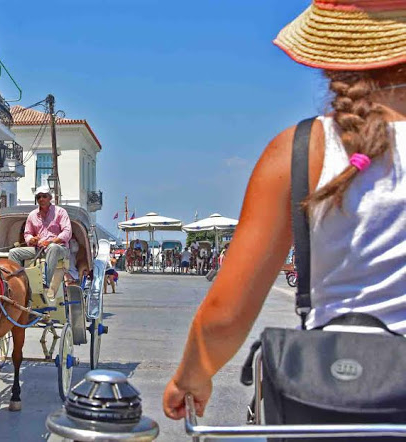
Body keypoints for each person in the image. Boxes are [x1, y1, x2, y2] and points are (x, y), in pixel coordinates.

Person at [164, 1, 406, 421]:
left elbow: (226, 315)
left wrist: (191, 377)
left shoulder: (301, 152)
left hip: (331, 398)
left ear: (336, 54)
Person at [8, 185, 72, 296]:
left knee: (53, 248)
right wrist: (31, 239)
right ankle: (17, 282)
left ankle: (44, 281)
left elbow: (67, 232)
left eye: (44, 196)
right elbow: (27, 234)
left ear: (50, 198)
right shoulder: (32, 215)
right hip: (40, 249)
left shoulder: (60, 212)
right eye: (38, 197)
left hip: (60, 249)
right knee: (13, 253)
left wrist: (51, 242)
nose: (41, 199)